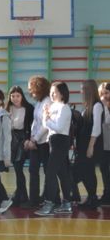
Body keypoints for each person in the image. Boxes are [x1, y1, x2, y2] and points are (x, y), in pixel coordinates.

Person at [35, 82, 73, 216]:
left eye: (55, 92)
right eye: (51, 91)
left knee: (50, 172)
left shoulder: (64, 108)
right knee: (62, 173)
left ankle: (49, 203)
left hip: (60, 141)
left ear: (62, 93)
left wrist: (47, 120)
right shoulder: (53, 106)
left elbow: (59, 127)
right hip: (53, 141)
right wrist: (46, 116)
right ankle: (67, 203)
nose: (52, 94)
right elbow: (47, 125)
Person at [73, 79, 104, 209]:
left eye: (82, 89)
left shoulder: (97, 105)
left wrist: (91, 146)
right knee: (85, 172)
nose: (81, 92)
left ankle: (92, 197)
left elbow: (96, 128)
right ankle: (90, 197)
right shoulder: (87, 106)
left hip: (90, 145)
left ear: (88, 90)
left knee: (88, 172)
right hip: (83, 145)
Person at [24, 75, 52, 208]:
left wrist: (34, 139)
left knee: (47, 171)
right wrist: (31, 138)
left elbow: (45, 125)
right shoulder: (39, 102)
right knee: (33, 170)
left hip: (45, 142)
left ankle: (47, 197)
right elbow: (35, 122)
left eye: (31, 88)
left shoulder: (48, 102)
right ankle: (34, 199)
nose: (30, 91)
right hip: (35, 142)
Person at [6, 86, 34, 206]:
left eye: (18, 96)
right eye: (13, 96)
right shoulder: (8, 108)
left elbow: (32, 126)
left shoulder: (28, 108)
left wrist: (29, 139)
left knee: (18, 167)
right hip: (12, 139)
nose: (15, 98)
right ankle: (19, 195)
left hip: (23, 139)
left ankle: (23, 196)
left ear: (22, 96)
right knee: (17, 168)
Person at [99, 82, 110, 206]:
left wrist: (106, 107)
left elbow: (107, 122)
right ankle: (107, 194)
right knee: (104, 169)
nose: (104, 96)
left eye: (106, 93)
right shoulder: (100, 106)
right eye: (101, 94)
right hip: (104, 144)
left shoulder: (105, 107)